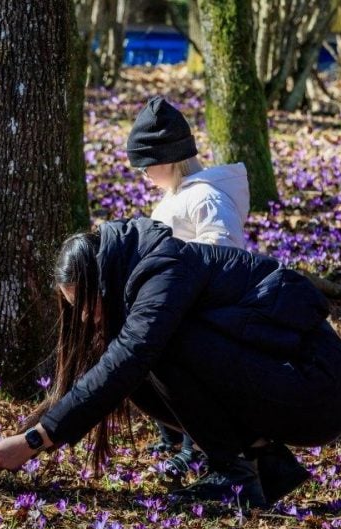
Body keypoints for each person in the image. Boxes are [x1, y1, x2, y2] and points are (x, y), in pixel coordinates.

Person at [0, 219, 341, 508]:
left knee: (151, 351)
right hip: (284, 381)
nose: (85, 319)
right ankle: (261, 464)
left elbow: (128, 359)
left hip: (317, 387)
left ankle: (233, 473)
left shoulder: (164, 269)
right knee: (133, 365)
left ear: (101, 280)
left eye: (86, 305)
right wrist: (22, 438)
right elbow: (96, 377)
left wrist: (35, 442)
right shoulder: (133, 276)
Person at [127, 96, 251, 473]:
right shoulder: (180, 195)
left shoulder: (207, 198)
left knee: (190, 378)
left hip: (200, 311)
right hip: (176, 304)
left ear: (167, 159)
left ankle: (193, 446)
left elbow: (224, 259)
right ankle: (171, 436)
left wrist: (186, 292)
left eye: (147, 167)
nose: (145, 175)